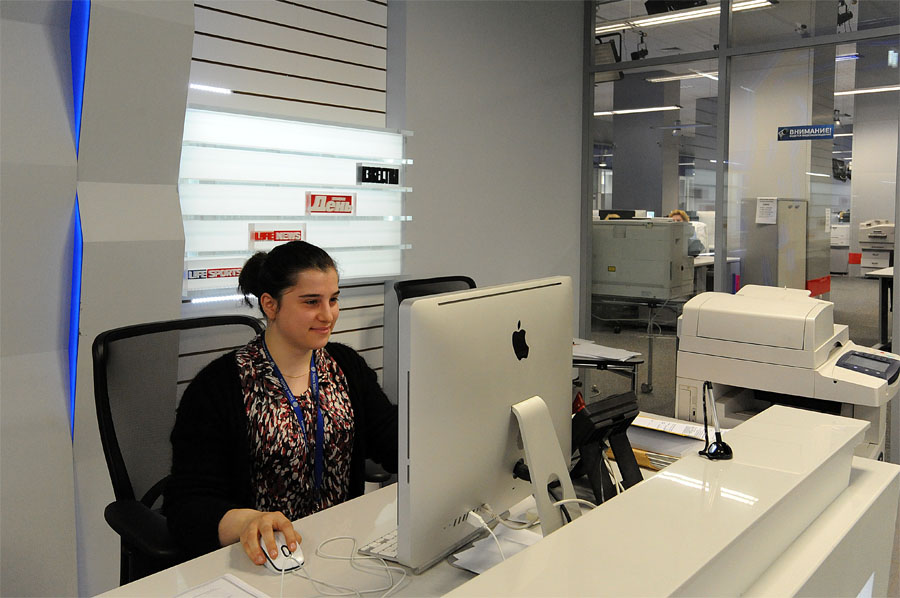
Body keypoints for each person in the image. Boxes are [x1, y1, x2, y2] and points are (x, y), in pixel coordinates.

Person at [163, 241, 398, 566]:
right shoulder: (218, 387)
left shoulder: (345, 366)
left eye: (333, 299)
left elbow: (391, 438)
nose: (328, 315)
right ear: (270, 305)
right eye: (311, 302)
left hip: (342, 547)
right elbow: (187, 504)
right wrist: (247, 521)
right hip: (264, 557)